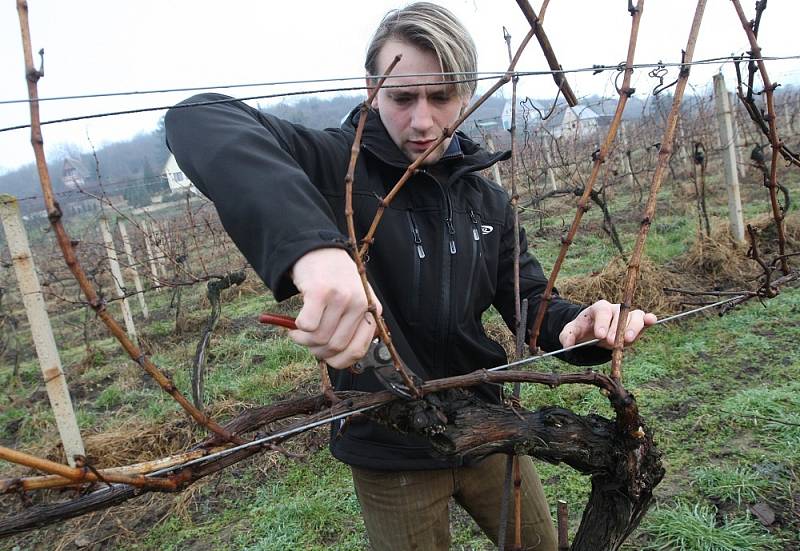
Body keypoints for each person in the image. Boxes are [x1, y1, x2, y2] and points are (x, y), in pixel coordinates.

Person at [165, 3, 656, 549]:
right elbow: (198, 119)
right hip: (389, 444)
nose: (422, 121)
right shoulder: (335, 166)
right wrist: (317, 250)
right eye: (402, 98)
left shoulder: (485, 200)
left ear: (467, 95)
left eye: (441, 97)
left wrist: (573, 329)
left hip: (488, 427)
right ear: (371, 89)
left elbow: (530, 302)